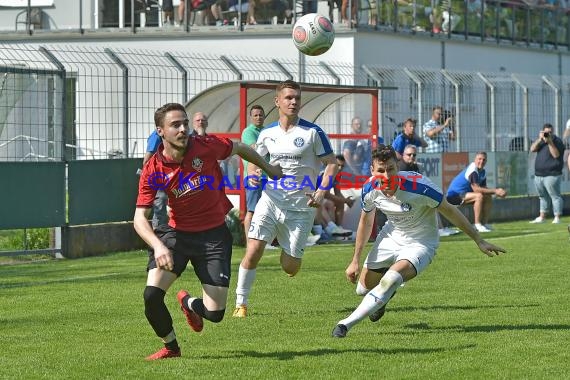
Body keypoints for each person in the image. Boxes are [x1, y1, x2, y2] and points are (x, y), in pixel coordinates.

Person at [134, 103, 282, 360]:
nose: (183, 129)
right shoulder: (154, 169)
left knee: (214, 314)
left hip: (213, 235)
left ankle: (188, 303)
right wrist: (158, 246)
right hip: (176, 235)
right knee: (151, 296)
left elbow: (240, 148)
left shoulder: (206, 145)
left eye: (185, 123)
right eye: (175, 125)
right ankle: (171, 347)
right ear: (160, 131)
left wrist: (268, 169)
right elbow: (139, 219)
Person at [331, 145, 506, 338]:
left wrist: (478, 240)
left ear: (398, 167)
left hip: (421, 242)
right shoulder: (369, 188)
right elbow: (366, 221)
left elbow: (449, 211)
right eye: (381, 170)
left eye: (390, 169)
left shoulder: (420, 186)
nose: (387, 176)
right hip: (391, 236)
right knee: (362, 289)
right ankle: (384, 297)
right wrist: (355, 259)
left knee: (390, 279)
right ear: (372, 171)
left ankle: (344, 325)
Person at [233, 80, 339, 317]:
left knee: (289, 266)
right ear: (277, 101)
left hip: (301, 208)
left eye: (297, 98)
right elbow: (255, 161)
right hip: (271, 200)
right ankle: (241, 303)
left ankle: (287, 247)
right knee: (253, 249)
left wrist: (322, 190)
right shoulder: (267, 134)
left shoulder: (312, 132)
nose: (294, 102)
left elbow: (331, 163)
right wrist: (254, 172)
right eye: (289, 98)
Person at [398, 144, 458, 237]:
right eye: (409, 155)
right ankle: (440, 229)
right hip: (403, 200)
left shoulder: (414, 166)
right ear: (403, 155)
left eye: (414, 155)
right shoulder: (402, 168)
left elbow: (419, 183)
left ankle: (441, 227)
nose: (412, 157)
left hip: (412, 196)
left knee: (434, 199)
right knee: (432, 201)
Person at [446, 151, 507, 233]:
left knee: (487, 196)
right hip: (453, 196)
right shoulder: (473, 170)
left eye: (484, 160)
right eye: (479, 159)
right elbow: (476, 189)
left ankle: (484, 223)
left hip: (465, 195)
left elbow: (484, 189)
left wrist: (498, 192)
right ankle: (477, 224)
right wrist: (496, 191)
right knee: (479, 196)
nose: (481, 161)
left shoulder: (483, 172)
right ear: (475, 159)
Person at [529, 123, 565, 224]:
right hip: (539, 174)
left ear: (553, 132)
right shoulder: (541, 141)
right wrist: (540, 139)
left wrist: (550, 142)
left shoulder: (557, 141)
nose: (548, 134)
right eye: (546, 132)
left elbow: (556, 155)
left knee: (555, 196)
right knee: (542, 197)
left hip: (552, 174)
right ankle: (542, 217)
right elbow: (532, 149)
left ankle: (557, 217)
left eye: (550, 132)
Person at [241, 104, 266, 240]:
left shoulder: (266, 130)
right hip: (253, 176)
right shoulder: (248, 132)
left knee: (265, 212)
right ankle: (250, 241)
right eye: (255, 115)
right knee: (252, 210)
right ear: (251, 117)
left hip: (267, 176)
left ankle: (262, 240)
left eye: (260, 115)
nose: (258, 117)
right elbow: (254, 148)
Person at [143, 130, 168, 229]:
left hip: (170, 176)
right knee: (160, 209)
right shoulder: (156, 136)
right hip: (159, 178)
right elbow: (146, 161)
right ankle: (159, 238)